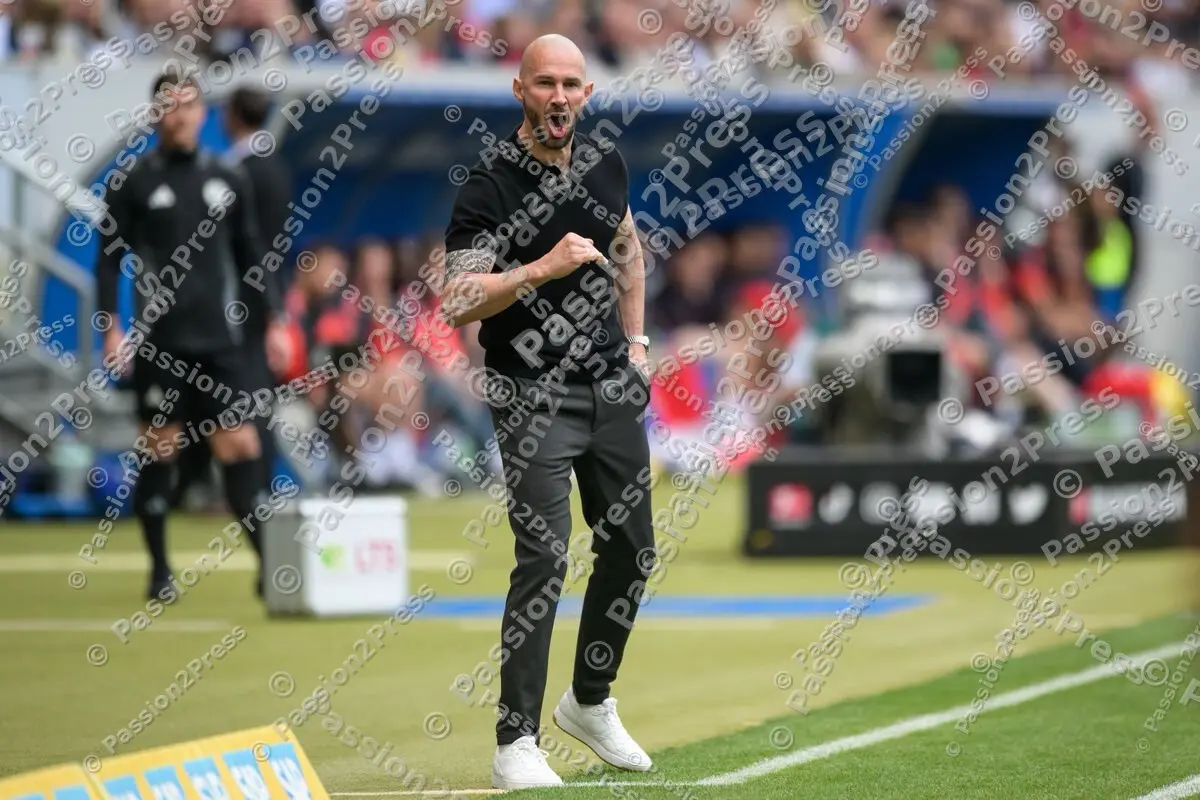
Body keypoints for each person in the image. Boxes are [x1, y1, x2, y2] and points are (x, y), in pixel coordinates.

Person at [442, 34, 655, 791]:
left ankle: (589, 703)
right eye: (545, 84)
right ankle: (515, 742)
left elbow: (629, 248)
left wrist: (636, 345)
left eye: (572, 83)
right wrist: (539, 269)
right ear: (520, 90)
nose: (560, 96)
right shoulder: (487, 185)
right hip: (529, 391)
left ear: (587, 94)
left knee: (633, 550)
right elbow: (456, 302)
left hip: (610, 384)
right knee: (544, 559)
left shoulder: (607, 163)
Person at [97, 71, 291, 600]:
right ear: (155, 114)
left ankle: (270, 567)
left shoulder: (226, 179)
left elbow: (253, 255)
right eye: (169, 106)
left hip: (219, 343)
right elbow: (109, 264)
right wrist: (111, 328)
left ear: (203, 113)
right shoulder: (134, 182)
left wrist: (274, 319)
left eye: (189, 105)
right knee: (161, 449)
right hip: (161, 343)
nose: (180, 115)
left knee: (241, 445)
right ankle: (160, 572)